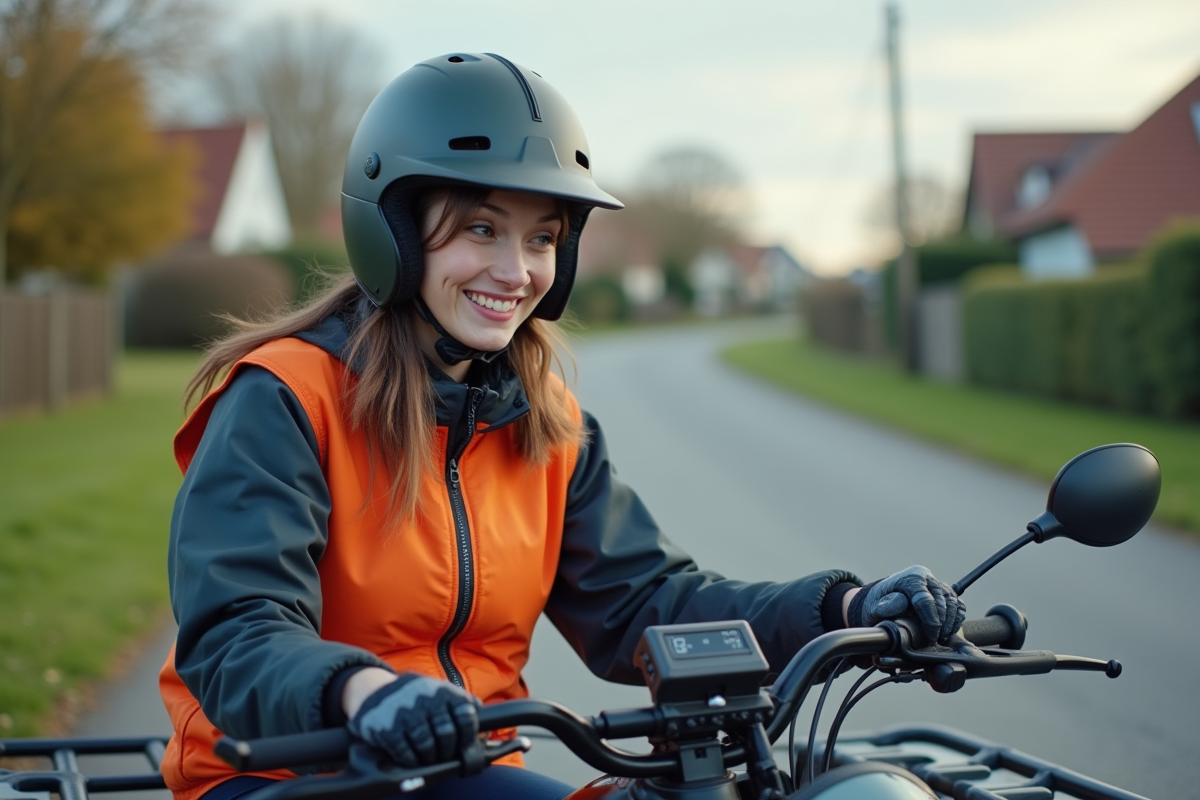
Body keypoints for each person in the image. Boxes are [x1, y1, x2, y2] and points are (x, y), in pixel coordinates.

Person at [158, 53, 965, 800]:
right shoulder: (284, 399)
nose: (515, 273)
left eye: (541, 238)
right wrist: (366, 692)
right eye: (481, 229)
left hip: (467, 767)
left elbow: (645, 603)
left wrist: (843, 609)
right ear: (394, 233)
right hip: (283, 774)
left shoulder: (545, 425)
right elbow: (239, 632)